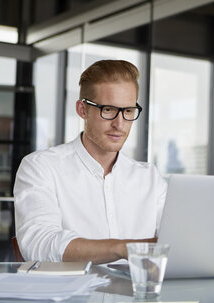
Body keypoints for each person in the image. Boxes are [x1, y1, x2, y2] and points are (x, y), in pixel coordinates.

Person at [14, 60, 167, 263]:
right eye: (108, 110)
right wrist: (124, 248)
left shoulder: (150, 177)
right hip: (70, 293)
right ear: (82, 110)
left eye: (128, 111)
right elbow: (40, 245)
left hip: (137, 293)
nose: (119, 124)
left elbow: (178, 241)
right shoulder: (41, 167)